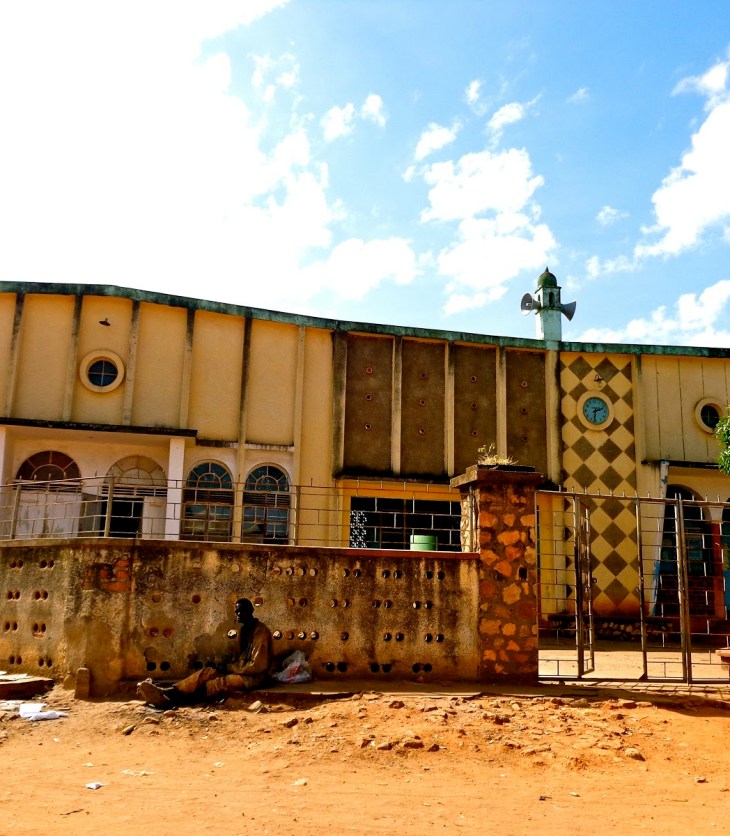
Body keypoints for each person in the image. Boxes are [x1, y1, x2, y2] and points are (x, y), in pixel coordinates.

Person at [137, 597, 273, 708]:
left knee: (219, 682)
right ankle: (168, 692)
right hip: (242, 671)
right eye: (236, 611)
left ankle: (176, 700)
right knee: (206, 672)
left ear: (250, 611)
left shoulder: (261, 632)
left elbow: (257, 666)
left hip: (255, 677)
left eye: (241, 611)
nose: (238, 614)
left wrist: (229, 668)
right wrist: (226, 666)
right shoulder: (244, 630)